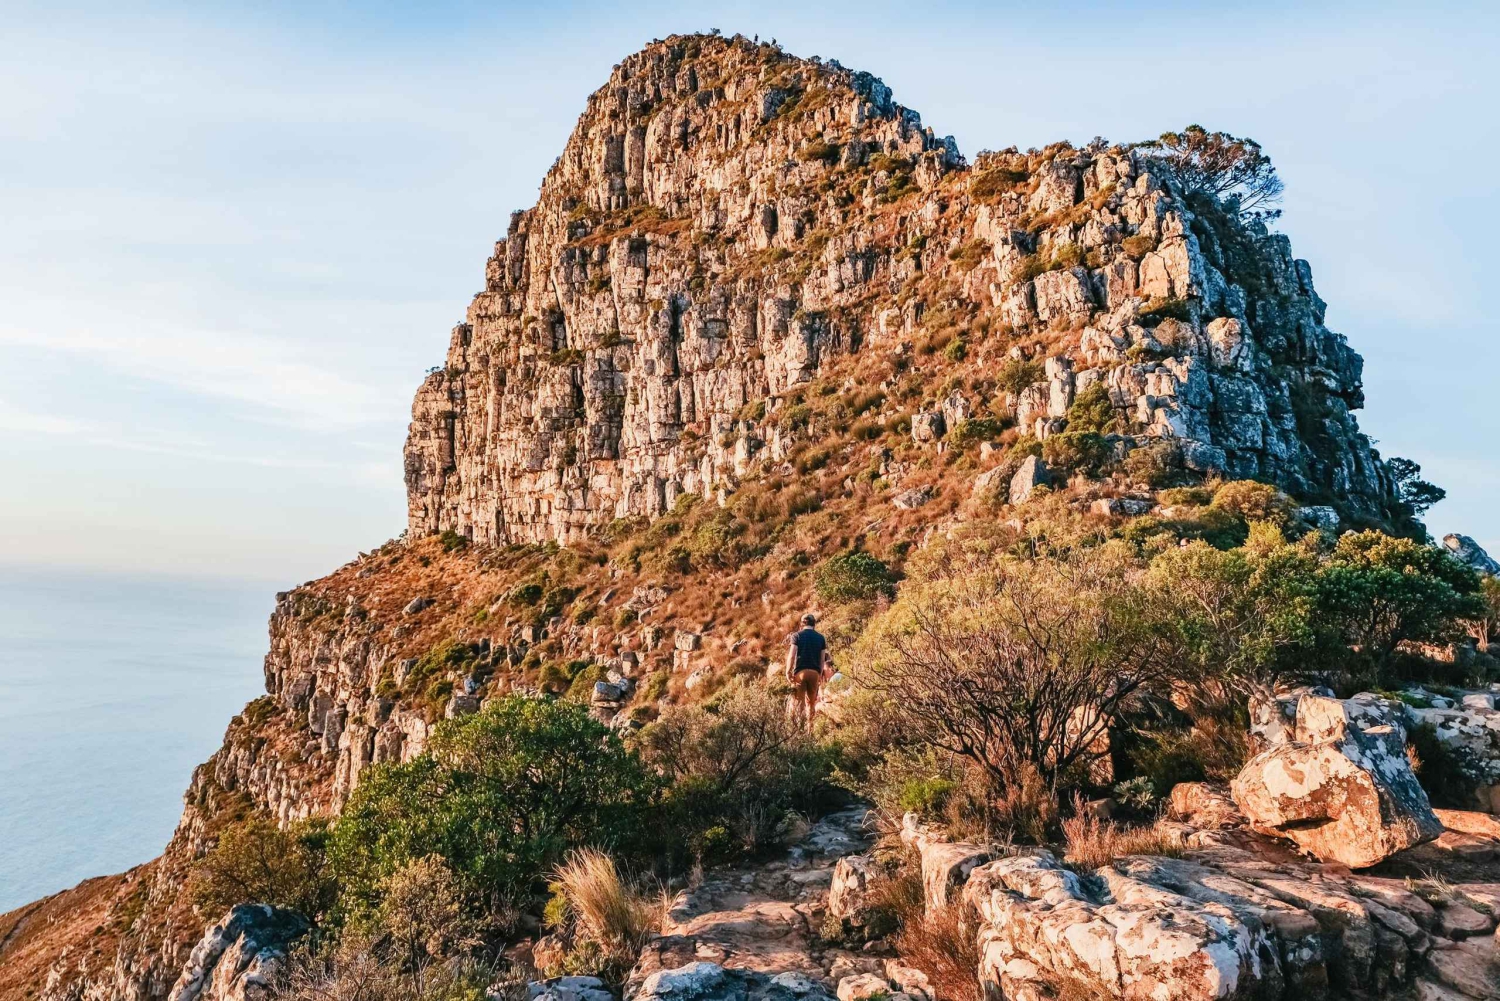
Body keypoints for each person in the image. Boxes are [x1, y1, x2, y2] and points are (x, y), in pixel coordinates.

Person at [784, 613, 831, 727]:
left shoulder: (796, 636)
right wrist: (819, 674)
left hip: (800, 673)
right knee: (811, 703)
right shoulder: (821, 638)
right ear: (814, 624)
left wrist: (788, 671)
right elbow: (822, 659)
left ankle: (799, 729)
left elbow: (792, 655)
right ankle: (810, 729)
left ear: (802, 623)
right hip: (815, 673)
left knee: (799, 704)